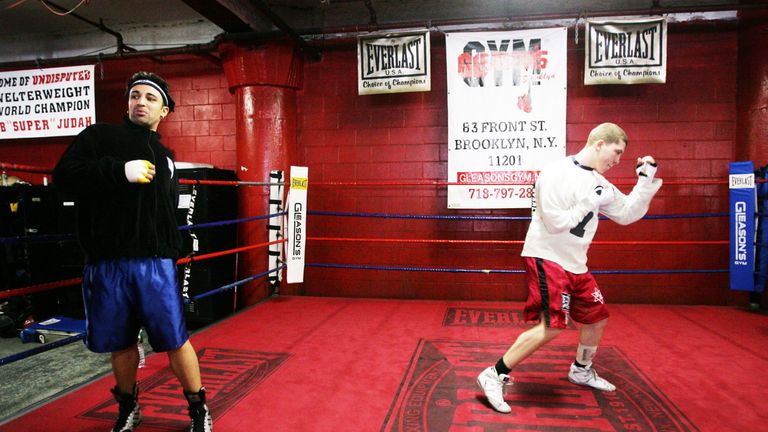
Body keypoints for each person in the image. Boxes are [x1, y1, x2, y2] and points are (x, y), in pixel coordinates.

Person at [53, 72, 213, 432]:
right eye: (135, 96)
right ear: (126, 104)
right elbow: (63, 176)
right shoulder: (99, 137)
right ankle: (128, 407)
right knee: (121, 341)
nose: (140, 102)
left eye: (150, 98)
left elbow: (165, 214)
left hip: (154, 263)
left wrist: (172, 253)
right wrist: (116, 170)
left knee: (174, 339)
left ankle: (198, 408)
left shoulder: (166, 157)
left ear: (165, 111)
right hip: (108, 261)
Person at [476, 122, 662, 413]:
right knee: (552, 326)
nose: (618, 160)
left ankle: (581, 369)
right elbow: (555, 223)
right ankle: (494, 373)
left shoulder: (600, 182)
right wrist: (589, 201)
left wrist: (644, 183)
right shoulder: (555, 172)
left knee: (596, 318)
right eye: (616, 152)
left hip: (576, 263)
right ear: (599, 143)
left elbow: (627, 214)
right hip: (547, 256)